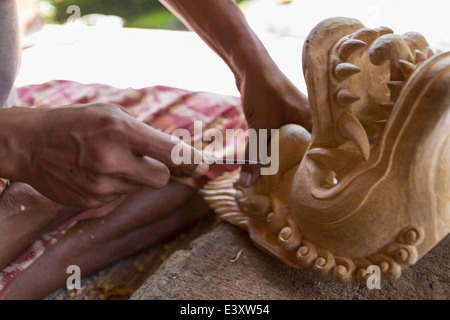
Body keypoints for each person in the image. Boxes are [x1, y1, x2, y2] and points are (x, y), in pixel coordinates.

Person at [0, 0, 311, 299]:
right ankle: (31, 217)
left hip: (14, 110)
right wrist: (19, 145)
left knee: (234, 131)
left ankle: (32, 233)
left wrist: (251, 65)